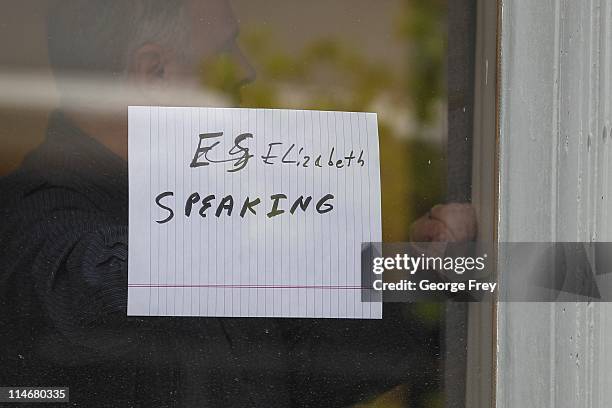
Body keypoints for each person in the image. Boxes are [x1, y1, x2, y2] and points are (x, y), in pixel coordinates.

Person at [0, 0, 476, 406]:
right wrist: (259, 213)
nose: (246, 71)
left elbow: (302, 358)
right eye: (225, 52)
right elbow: (93, 286)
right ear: (155, 73)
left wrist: (434, 276)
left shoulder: (183, 228)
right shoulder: (33, 229)